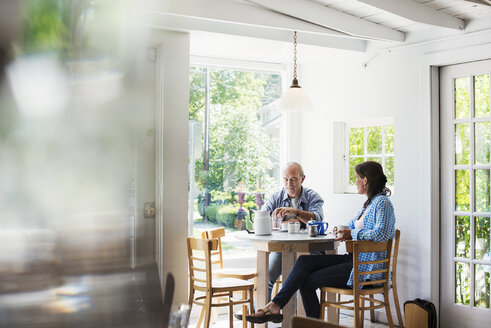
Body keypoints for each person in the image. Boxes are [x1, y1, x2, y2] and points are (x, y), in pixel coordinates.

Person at [246, 161, 396, 323]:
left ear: (365, 181)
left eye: (357, 178)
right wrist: (339, 229)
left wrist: (350, 233)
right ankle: (276, 306)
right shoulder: (369, 204)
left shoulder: (382, 203)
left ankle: (278, 307)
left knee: (306, 281)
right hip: (355, 261)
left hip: (366, 270)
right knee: (304, 262)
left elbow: (381, 234)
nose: (355, 182)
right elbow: (351, 225)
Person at [264, 162, 324, 301]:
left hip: (309, 249)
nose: (289, 183)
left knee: (304, 278)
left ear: (302, 179)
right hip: (282, 249)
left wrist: (296, 212)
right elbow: (263, 217)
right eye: (286, 179)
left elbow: (318, 219)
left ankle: (302, 318)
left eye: (293, 179)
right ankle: (263, 312)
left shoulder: (313, 197)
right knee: (266, 275)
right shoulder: (276, 197)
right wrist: (282, 223)